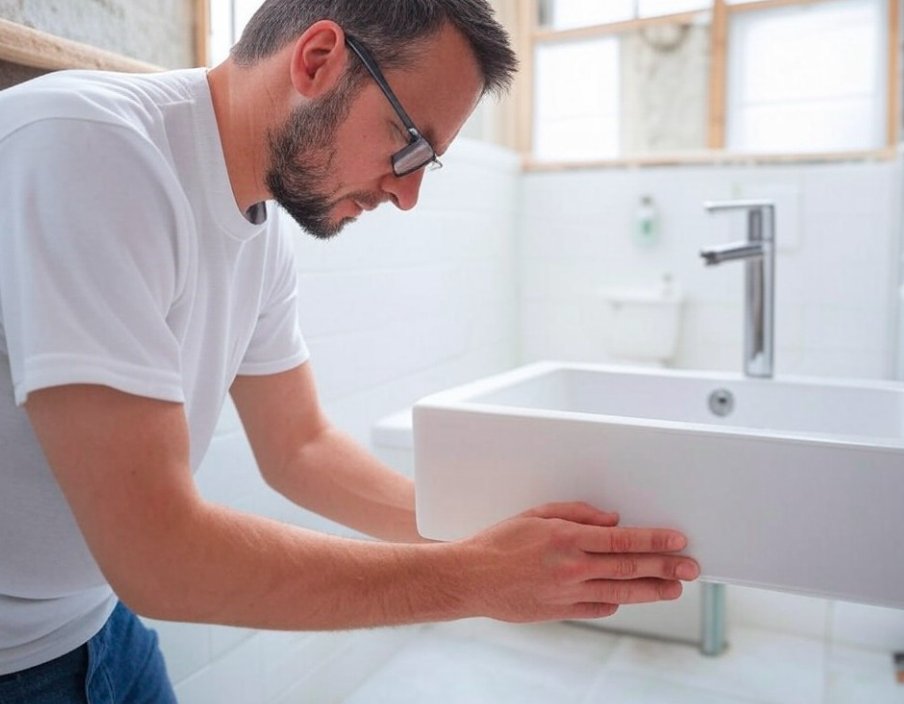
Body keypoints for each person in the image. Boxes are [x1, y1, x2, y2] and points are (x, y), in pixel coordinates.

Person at [0, 0, 700, 701]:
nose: (408, 194)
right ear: (318, 61)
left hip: (96, 628)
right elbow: (158, 555)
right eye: (411, 145)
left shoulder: (258, 229)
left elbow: (300, 446)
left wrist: (485, 534)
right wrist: (476, 577)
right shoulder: (87, 150)